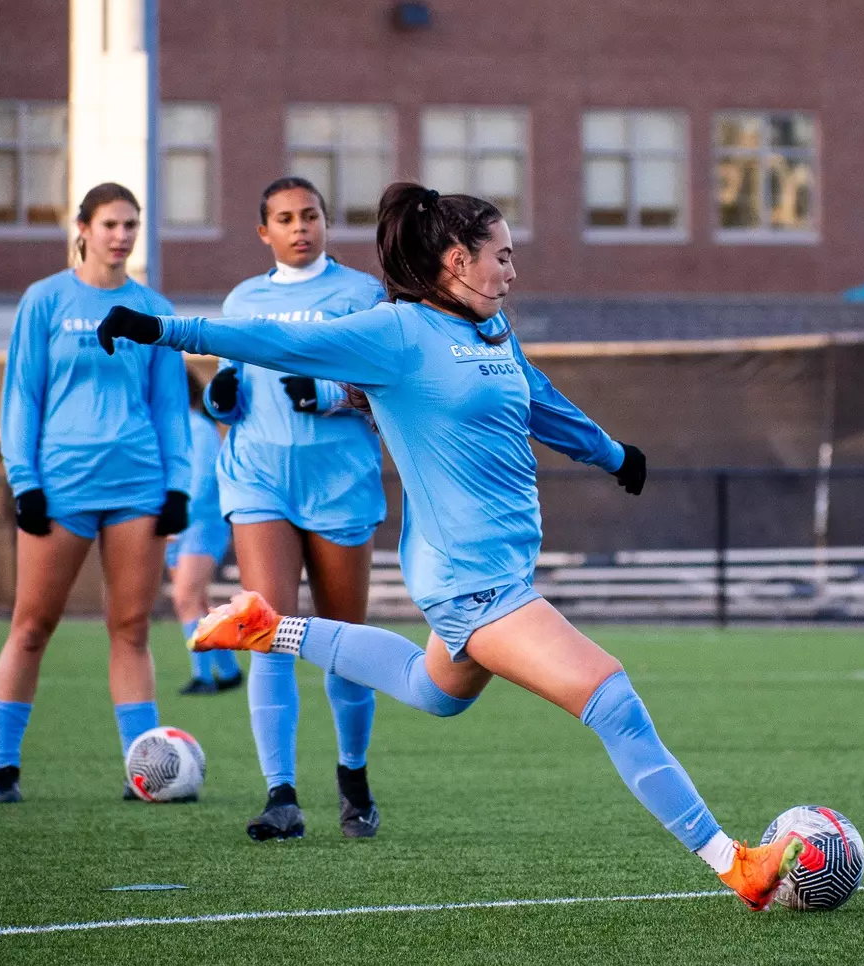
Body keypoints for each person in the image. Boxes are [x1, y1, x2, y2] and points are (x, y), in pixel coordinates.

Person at [96, 183, 813, 910]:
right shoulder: (398, 333)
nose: (512, 272)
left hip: (497, 568)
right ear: (455, 261)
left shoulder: (494, 329)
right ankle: (737, 865)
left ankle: (267, 628)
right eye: (501, 257)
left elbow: (536, 397)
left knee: (432, 691)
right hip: (470, 578)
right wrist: (161, 330)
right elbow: (274, 342)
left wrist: (610, 453)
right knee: (612, 699)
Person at [0, 181, 192, 803]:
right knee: (32, 626)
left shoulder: (153, 307)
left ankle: (143, 772)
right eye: (110, 224)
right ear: (82, 228)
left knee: (130, 627)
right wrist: (24, 480)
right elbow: (21, 394)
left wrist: (178, 485)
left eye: (131, 224)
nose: (121, 235)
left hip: (139, 485)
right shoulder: (45, 301)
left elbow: (169, 407)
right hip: (61, 487)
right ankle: (4, 771)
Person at [207, 176, 390, 841]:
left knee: (347, 644)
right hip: (259, 480)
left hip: (339, 484)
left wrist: (336, 394)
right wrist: (221, 402)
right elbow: (233, 402)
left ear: (325, 222)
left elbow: (387, 387)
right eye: (283, 218)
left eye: (309, 215)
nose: (298, 227)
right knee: (267, 631)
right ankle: (281, 795)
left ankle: (354, 778)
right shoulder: (243, 300)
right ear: (264, 232)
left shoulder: (362, 296)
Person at [168, 371, 242, 696]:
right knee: (194, 601)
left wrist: (176, 517)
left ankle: (203, 676)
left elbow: (201, 482)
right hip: (176, 524)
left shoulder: (198, 428)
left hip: (200, 523)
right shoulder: (171, 429)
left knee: (185, 598)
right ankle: (227, 671)